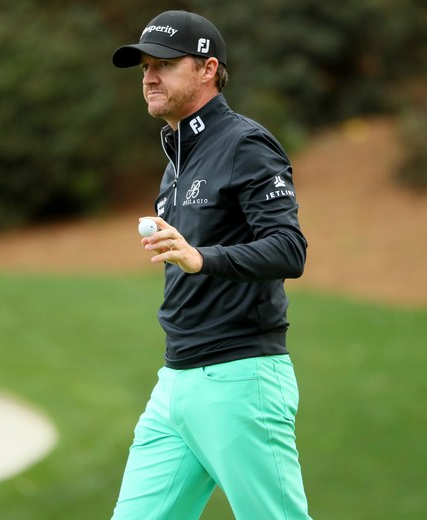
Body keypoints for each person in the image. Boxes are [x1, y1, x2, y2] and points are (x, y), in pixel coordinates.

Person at [110, 10, 312, 520]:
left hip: (240, 380)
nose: (149, 77)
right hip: (174, 384)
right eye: (144, 68)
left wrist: (203, 258)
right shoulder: (177, 159)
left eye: (164, 64)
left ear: (207, 69)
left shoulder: (245, 144)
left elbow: (289, 249)